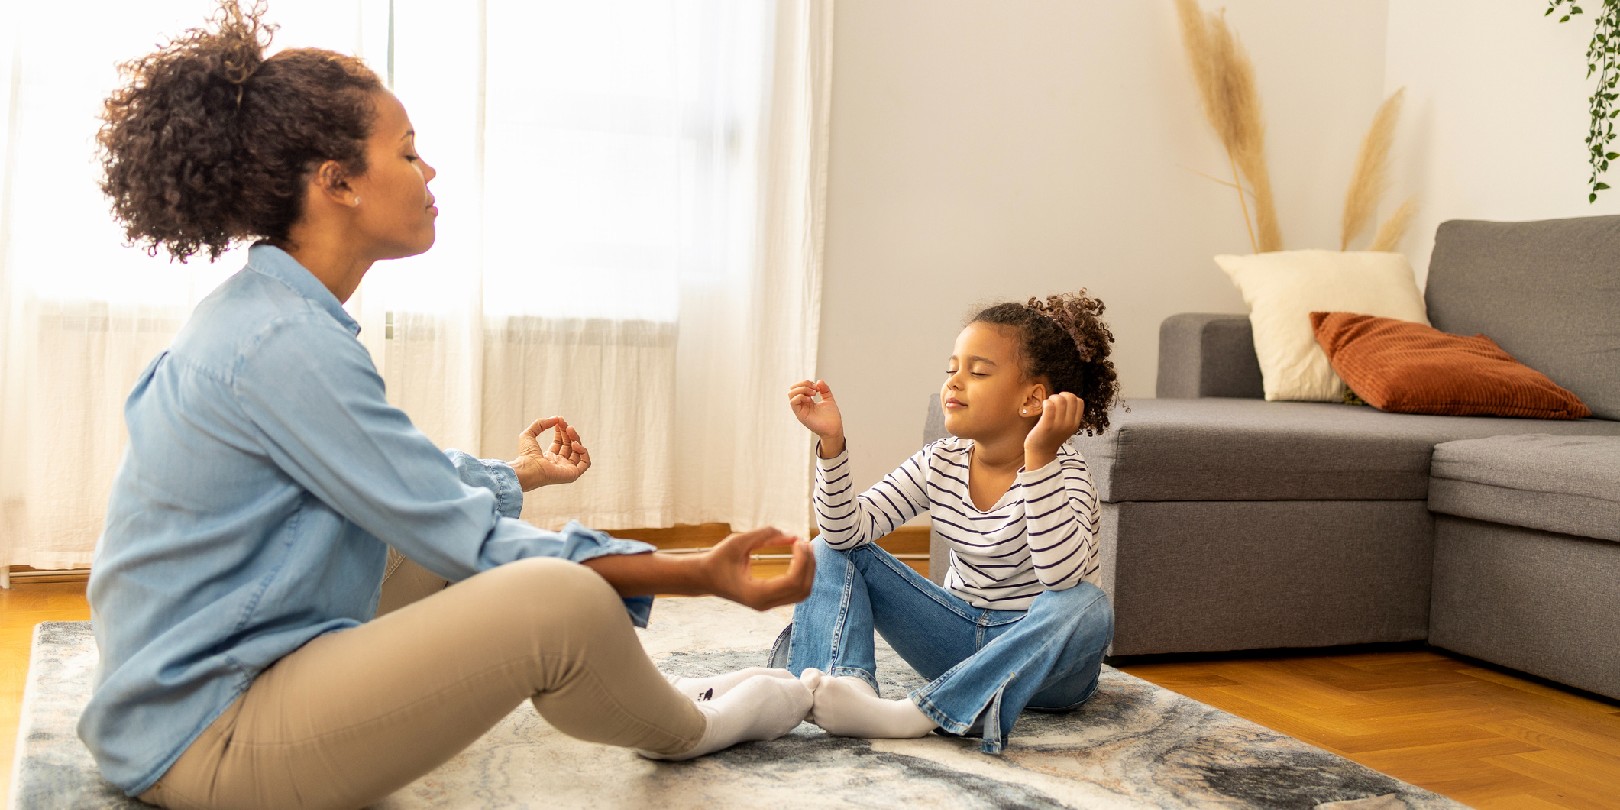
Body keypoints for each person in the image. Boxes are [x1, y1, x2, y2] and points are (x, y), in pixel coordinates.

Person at [79, 3, 815, 807]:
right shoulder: (283, 343)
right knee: (555, 601)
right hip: (204, 737)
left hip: (203, 687)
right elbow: (456, 528)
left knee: (427, 546)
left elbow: (401, 484)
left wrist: (520, 473)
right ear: (338, 182)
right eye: (409, 152)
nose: (429, 175)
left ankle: (658, 690)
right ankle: (698, 728)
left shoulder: (264, 315)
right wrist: (697, 574)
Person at [775, 291, 1121, 754]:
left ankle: (920, 714)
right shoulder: (941, 460)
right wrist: (832, 443)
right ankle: (841, 689)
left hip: (1044, 671)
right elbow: (845, 532)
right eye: (951, 370)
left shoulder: (1067, 475)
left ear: (1031, 399)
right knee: (825, 550)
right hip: (955, 642)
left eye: (977, 372)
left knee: (1087, 604)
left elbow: (1061, 580)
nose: (954, 382)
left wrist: (1038, 460)